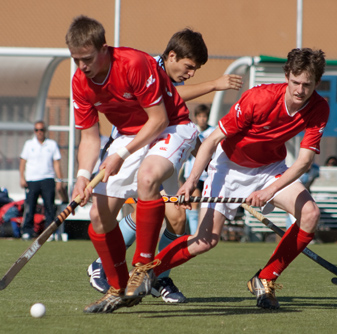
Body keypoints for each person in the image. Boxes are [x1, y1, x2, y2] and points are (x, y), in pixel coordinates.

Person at [126, 48, 329, 311]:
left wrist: (268, 191)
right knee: (204, 241)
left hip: (270, 169)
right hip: (229, 167)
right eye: (296, 82)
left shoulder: (319, 107)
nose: (300, 91)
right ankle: (146, 273)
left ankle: (265, 279)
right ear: (287, 75)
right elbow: (211, 140)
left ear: (316, 83)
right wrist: (191, 181)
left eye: (307, 85)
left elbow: (303, 161)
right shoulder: (259, 98)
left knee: (310, 214)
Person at [86, 29, 243, 304]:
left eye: (196, 69)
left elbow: (179, 115)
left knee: (178, 219)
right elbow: (178, 96)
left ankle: (158, 276)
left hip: (166, 142)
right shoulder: (149, 67)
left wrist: (207, 158)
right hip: (137, 143)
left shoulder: (167, 81)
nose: (191, 73)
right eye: (189, 66)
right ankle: (106, 264)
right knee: (129, 209)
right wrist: (215, 84)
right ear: (171, 56)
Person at [67, 16, 199, 313]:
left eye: (87, 58)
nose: (82, 66)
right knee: (99, 218)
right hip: (130, 135)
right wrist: (82, 175)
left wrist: (120, 155)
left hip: (171, 127)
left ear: (104, 49)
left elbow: (159, 119)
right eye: (76, 59)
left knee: (148, 177)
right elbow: (89, 138)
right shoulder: (80, 83)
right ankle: (117, 287)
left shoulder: (133, 63)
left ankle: (143, 267)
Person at [19, 120, 65, 240]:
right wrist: (22, 178)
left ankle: (49, 232)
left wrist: (59, 180)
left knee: (49, 206)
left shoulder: (52, 144)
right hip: (32, 180)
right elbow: (23, 162)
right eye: (37, 130)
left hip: (48, 179)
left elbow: (56, 163)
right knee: (30, 207)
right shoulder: (29, 144)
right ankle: (27, 231)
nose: (39, 132)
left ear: (45, 131)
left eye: (41, 130)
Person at [183, 104, 215, 234]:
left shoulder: (213, 131)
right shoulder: (192, 131)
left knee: (208, 204)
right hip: (193, 174)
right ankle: (193, 234)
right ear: (196, 118)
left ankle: (206, 231)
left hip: (209, 174)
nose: (202, 119)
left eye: (204, 116)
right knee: (193, 205)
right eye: (200, 116)